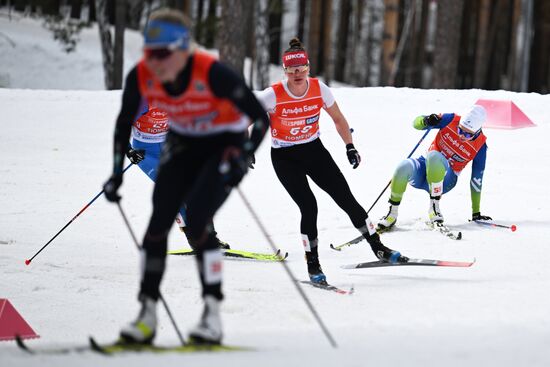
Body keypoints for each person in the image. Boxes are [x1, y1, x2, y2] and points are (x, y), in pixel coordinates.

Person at [102, 8, 269, 345]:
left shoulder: (213, 73)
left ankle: (211, 314)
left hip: (221, 144)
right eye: (150, 54)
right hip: (180, 143)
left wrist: (244, 154)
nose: (156, 62)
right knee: (158, 224)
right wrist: (116, 171)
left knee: (196, 222)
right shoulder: (143, 76)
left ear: (183, 50)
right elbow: (123, 125)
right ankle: (147, 313)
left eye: (163, 54)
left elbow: (259, 117)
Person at [256, 38, 408, 285]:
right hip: (285, 157)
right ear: (285, 71)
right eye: (291, 69)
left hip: (314, 152)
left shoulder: (319, 89)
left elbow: (338, 119)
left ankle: (378, 248)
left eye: (301, 68)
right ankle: (312, 262)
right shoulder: (273, 94)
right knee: (309, 206)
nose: (297, 74)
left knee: (346, 199)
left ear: (308, 67)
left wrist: (350, 146)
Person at [126, 105, 229, 249]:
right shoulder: (146, 100)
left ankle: (209, 237)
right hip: (146, 153)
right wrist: (129, 151)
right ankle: (194, 238)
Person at [377, 104, 492, 231]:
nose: (462, 136)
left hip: (446, 180)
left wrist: (476, 212)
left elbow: (476, 180)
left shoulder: (480, 145)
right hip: (424, 170)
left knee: (435, 157)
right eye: (460, 130)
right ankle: (391, 214)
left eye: (468, 134)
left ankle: (434, 208)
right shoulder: (451, 119)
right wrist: (426, 120)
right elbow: (416, 124)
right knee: (403, 166)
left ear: (477, 131)